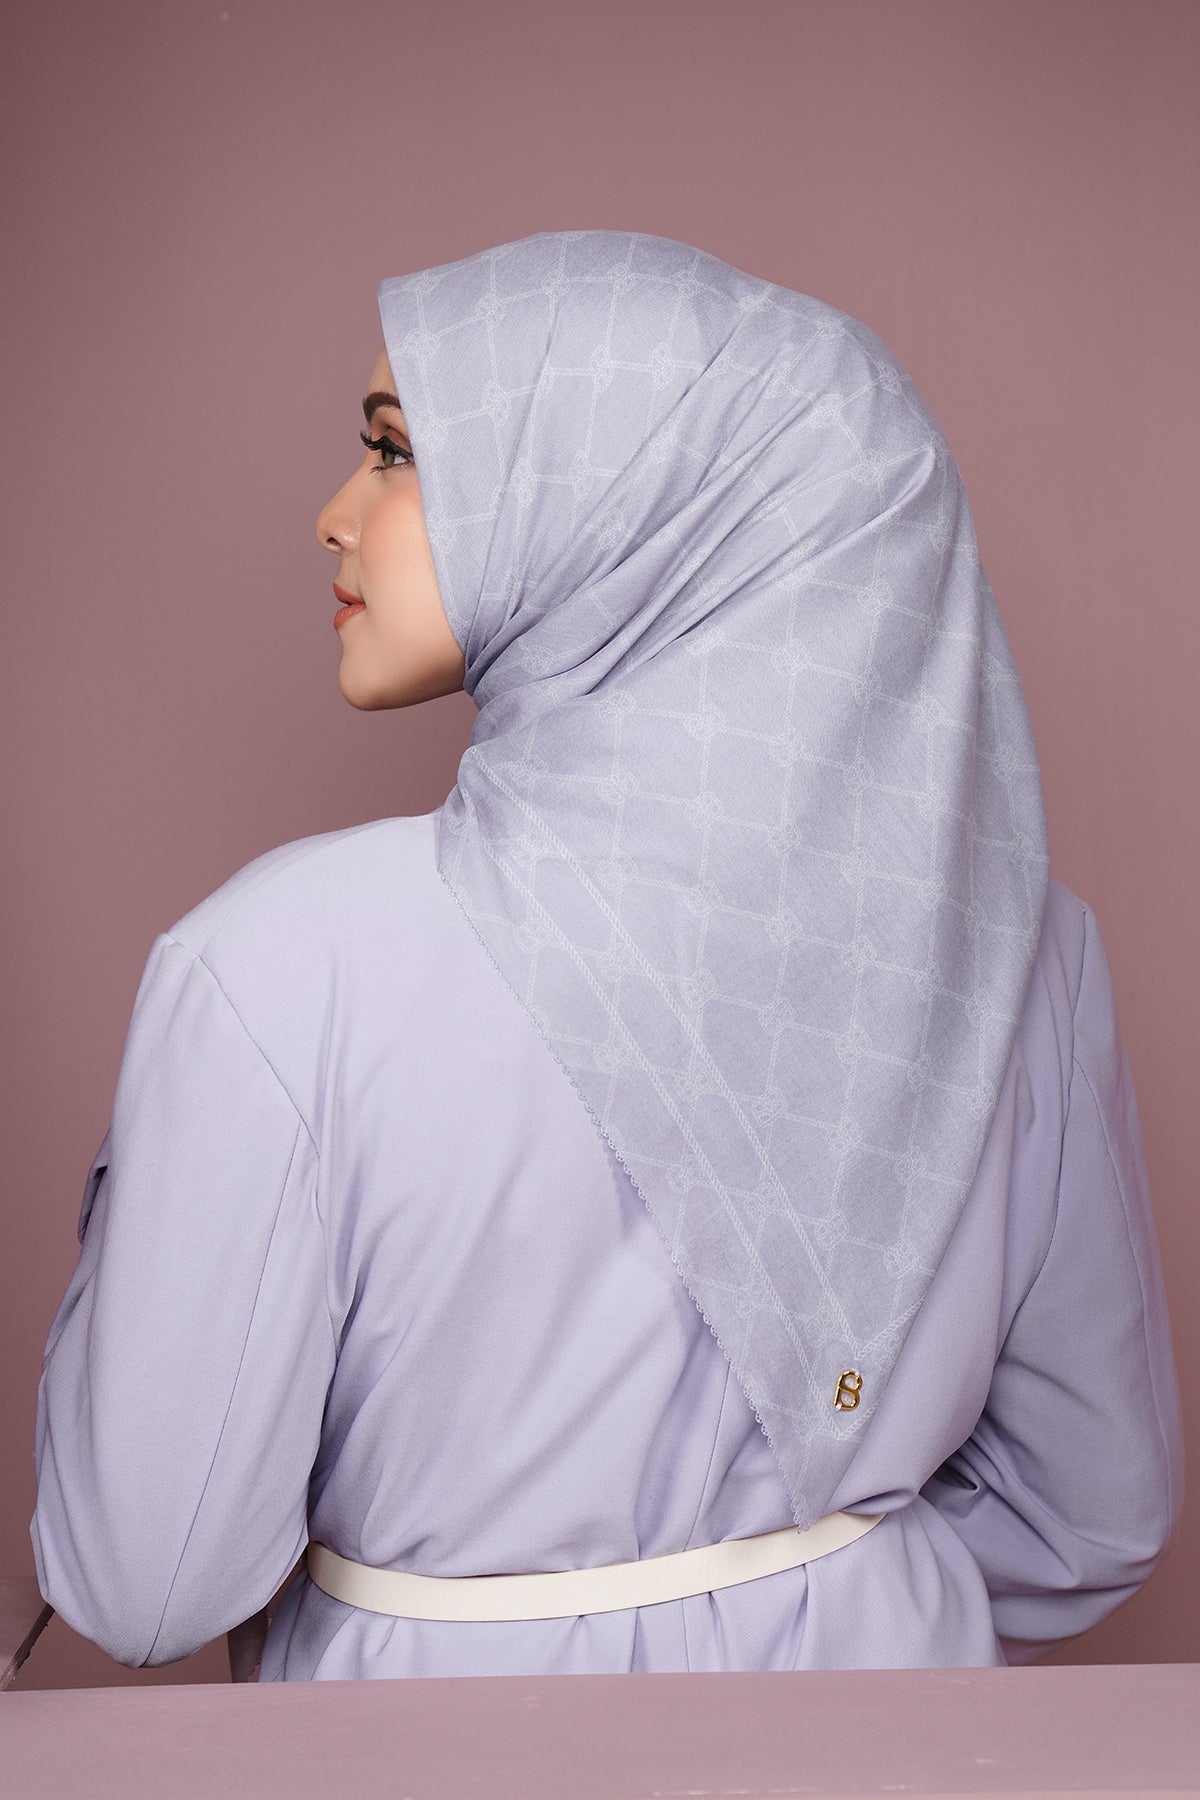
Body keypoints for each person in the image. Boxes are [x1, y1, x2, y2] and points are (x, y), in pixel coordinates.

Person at [31, 230, 1182, 1679]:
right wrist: (811, 1598)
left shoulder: (278, 967)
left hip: (423, 1759)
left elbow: (145, 1582)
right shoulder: (1021, 951)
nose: (335, 515)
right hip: (890, 1736)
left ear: (625, 508)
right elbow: (1089, 1512)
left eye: (396, 453)